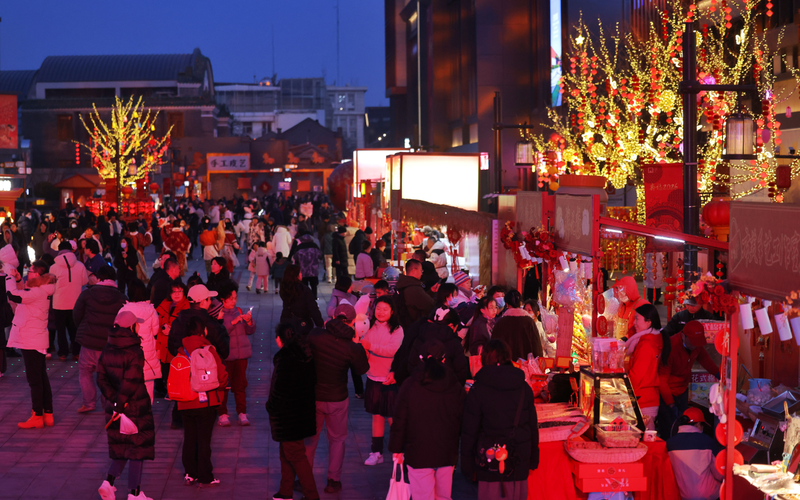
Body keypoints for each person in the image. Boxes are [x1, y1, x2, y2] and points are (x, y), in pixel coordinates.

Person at [461, 339, 539, 500]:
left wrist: (467, 464)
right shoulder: (524, 388)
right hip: (518, 458)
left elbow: (470, 430)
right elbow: (532, 426)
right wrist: (533, 458)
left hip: (489, 458)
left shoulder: (478, 390)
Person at [305, 303, 369, 494]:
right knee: (337, 440)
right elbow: (361, 370)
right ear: (351, 323)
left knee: (310, 439)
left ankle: (304, 477)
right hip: (337, 398)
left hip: (314, 396)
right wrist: (357, 344)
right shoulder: (351, 347)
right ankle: (333, 480)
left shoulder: (315, 336)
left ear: (332, 318)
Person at [389, 339, 465, 500]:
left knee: (423, 496)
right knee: (444, 496)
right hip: (447, 451)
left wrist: (397, 448)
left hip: (418, 452)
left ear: (420, 358)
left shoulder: (410, 384)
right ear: (444, 359)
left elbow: (400, 419)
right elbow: (462, 418)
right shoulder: (454, 384)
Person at [96, 311, 156, 500]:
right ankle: (135, 494)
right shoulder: (134, 350)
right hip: (134, 406)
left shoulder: (107, 347)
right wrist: (121, 403)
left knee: (122, 446)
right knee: (137, 449)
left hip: (114, 407)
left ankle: (108, 483)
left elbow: (101, 378)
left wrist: (113, 400)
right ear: (132, 327)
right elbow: (132, 380)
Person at [267, 322, 320, 500]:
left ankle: (311, 495)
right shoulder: (305, 353)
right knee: (286, 453)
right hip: (302, 414)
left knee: (296, 455)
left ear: (280, 339)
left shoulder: (285, 358)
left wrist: (271, 407)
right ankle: (285, 490)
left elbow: (278, 390)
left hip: (288, 417)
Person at [173, 315, 227, 488]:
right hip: (207, 402)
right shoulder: (209, 350)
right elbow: (222, 375)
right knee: (204, 440)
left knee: (189, 438)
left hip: (185, 402)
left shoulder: (181, 351)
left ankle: (190, 473)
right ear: (203, 331)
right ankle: (205, 475)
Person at [6, 262, 56, 429]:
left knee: (34, 379)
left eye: (32, 271)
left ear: (39, 276)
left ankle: (37, 414)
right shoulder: (42, 291)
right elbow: (23, 294)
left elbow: (14, 295)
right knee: (41, 377)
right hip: (36, 338)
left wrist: (9, 277)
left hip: (31, 339)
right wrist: (19, 280)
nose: (29, 273)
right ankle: (47, 413)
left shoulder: (37, 292)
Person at [74, 265, 128, 413]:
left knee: (85, 371)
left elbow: (77, 314)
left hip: (89, 342)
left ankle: (89, 403)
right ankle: (108, 404)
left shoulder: (87, 294)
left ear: (99, 278)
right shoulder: (121, 297)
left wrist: (84, 328)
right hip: (110, 344)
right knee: (108, 376)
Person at [361, 296, 404, 466]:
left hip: (389, 379)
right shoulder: (369, 326)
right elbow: (362, 345)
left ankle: (399, 451)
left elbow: (393, 351)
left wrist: (369, 347)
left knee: (392, 417)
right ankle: (376, 452)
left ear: (392, 311)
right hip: (373, 376)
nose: (381, 312)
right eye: (378, 308)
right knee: (377, 416)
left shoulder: (397, 329)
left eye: (385, 309)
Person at [657, 322, 719, 438]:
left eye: (697, 343)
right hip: (667, 393)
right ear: (683, 336)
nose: (695, 346)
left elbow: (705, 359)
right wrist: (671, 405)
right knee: (668, 429)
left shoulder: (696, 346)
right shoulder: (671, 346)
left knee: (685, 427)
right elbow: (662, 381)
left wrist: (718, 373)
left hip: (683, 390)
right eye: (692, 343)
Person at [216, 281, 255, 427]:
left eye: (235, 298)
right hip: (226, 357)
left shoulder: (239, 310)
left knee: (240, 385)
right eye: (231, 298)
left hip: (241, 356)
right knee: (224, 386)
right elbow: (220, 333)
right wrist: (232, 322)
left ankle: (242, 413)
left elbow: (250, 331)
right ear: (223, 300)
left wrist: (249, 322)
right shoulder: (219, 314)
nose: (234, 301)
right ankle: (223, 414)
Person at [626, 303, 670, 431]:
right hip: (648, 399)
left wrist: (622, 395)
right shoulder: (652, 339)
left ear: (649, 322)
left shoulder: (646, 345)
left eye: (637, 319)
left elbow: (636, 376)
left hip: (643, 401)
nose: (634, 322)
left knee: (643, 442)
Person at [117, 279, 161, 403]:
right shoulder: (151, 310)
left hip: (129, 353)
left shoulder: (123, 310)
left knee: (130, 387)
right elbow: (156, 331)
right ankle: (147, 413)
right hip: (147, 354)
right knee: (148, 388)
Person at [666, 408, 722, 500]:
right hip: (706, 495)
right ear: (697, 424)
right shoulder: (707, 441)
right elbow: (719, 473)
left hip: (678, 495)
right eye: (702, 425)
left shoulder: (668, 444)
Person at [408, 307, 471, 386]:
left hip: (420, 388)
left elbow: (412, 365)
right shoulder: (454, 344)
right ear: (451, 326)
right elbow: (461, 372)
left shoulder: (421, 336)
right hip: (446, 390)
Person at [155, 279, 190, 412]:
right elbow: (157, 326)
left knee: (177, 372)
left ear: (184, 292)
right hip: (164, 346)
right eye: (173, 291)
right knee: (165, 373)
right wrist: (157, 348)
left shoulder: (186, 308)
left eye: (179, 291)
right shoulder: (164, 305)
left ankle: (176, 395)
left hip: (177, 347)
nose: (176, 294)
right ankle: (170, 391)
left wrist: (172, 330)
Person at [51, 240, 89, 361]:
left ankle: (63, 353)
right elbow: (84, 282)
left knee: (61, 330)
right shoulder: (80, 265)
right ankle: (76, 352)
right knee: (74, 329)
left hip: (59, 303)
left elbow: (51, 285)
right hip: (75, 302)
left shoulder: (53, 267)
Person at [491, 289, 543, 362]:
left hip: (505, 367)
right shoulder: (529, 321)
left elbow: (494, 347)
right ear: (520, 303)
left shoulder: (501, 322)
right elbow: (536, 347)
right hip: (526, 367)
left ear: (506, 304)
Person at [279, 264, 324, 333]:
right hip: (302, 322)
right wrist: (320, 324)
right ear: (296, 275)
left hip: (286, 321)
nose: (301, 274)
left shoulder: (284, 288)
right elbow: (313, 308)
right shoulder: (304, 290)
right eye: (300, 272)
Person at [395, 259, 435, 329]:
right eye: (421, 271)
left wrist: (431, 292)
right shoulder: (414, 288)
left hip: (406, 325)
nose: (422, 273)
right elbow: (430, 305)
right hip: (415, 327)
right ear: (414, 270)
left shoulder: (403, 284)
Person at [292, 233, 322, 299]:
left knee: (304, 285)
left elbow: (295, 257)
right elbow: (320, 255)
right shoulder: (314, 246)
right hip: (313, 270)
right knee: (314, 285)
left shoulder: (299, 247)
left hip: (303, 270)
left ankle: (304, 297)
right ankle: (314, 297)